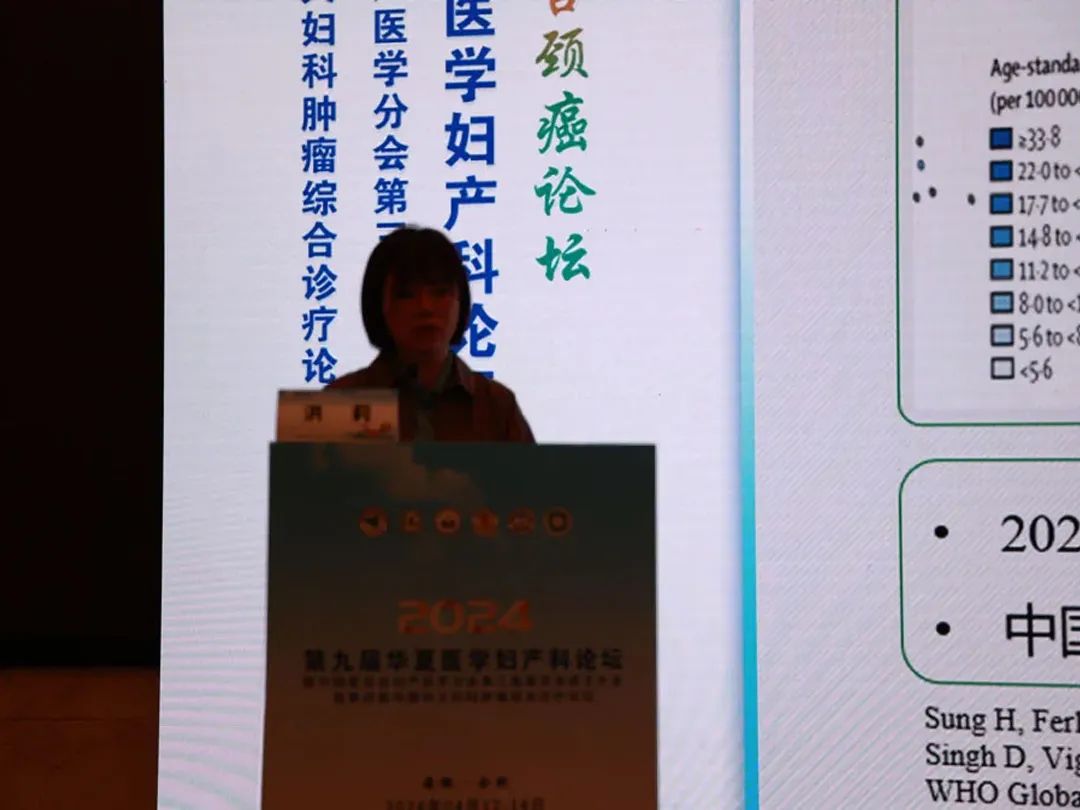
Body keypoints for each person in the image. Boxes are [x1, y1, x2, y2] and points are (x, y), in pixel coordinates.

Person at [327, 226, 535, 442]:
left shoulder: (496, 407)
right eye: (406, 295)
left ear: (461, 302)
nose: (425, 307)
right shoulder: (339, 402)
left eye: (440, 292)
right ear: (378, 304)